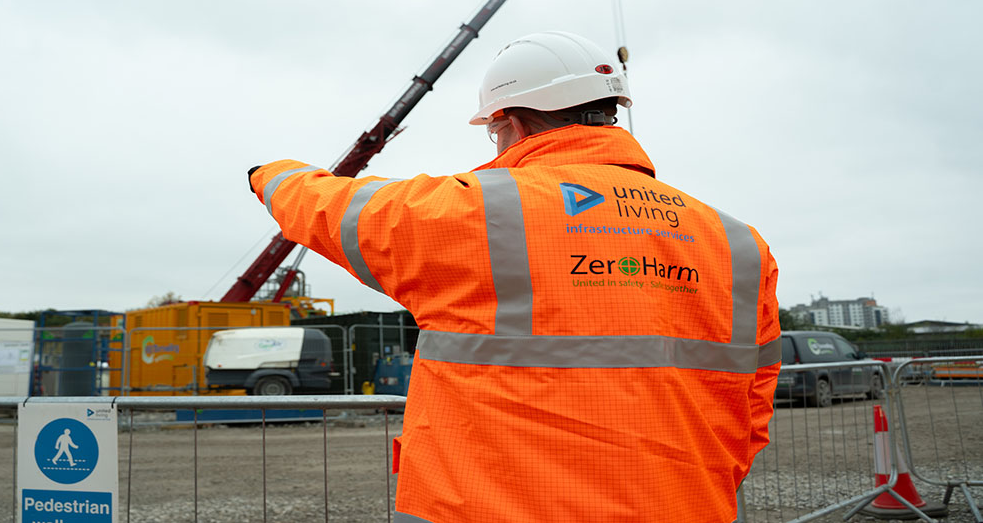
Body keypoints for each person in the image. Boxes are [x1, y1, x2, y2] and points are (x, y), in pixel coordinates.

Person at [248, 31, 780, 522]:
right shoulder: (738, 244)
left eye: (495, 133)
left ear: (511, 123)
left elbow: (332, 207)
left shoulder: (479, 212)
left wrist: (268, 174)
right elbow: (753, 412)